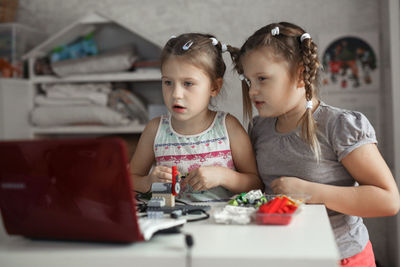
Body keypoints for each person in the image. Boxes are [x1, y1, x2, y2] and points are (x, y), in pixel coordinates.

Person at [228, 22, 400, 266]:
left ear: (300, 75)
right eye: (248, 81)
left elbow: (388, 201)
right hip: (283, 256)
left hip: (341, 257)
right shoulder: (259, 129)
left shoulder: (339, 125)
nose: (253, 91)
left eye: (262, 79)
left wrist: (309, 193)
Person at [130, 33, 263, 202]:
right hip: (171, 222)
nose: (176, 95)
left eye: (188, 83)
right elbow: (129, 180)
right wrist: (148, 182)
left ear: (214, 87)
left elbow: (257, 184)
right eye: (168, 82)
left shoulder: (228, 127)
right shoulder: (155, 130)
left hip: (219, 224)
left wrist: (223, 176)